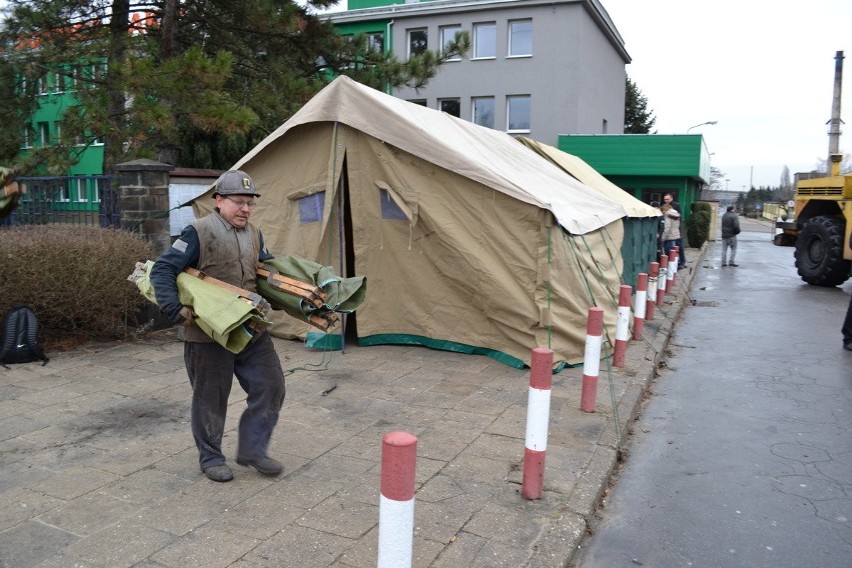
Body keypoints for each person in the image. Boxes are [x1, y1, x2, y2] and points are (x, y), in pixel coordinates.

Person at [150, 170, 286, 482]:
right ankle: (211, 457)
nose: (246, 210)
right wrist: (173, 308)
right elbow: (163, 270)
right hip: (208, 333)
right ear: (219, 200)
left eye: (250, 204)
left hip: (251, 329)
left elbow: (263, 275)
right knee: (210, 397)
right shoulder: (197, 232)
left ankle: (253, 449)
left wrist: (284, 297)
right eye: (239, 202)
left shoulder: (255, 234)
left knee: (271, 386)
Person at [662, 193, 686, 268]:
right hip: (676, 231)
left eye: (667, 199)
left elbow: (669, 224)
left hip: (673, 232)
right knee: (677, 248)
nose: (666, 201)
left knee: (675, 248)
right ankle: (680, 262)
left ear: (671, 198)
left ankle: (679, 263)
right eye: (665, 199)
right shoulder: (665, 206)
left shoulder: (675, 206)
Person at [660, 200, 683, 267]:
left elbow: (667, 227)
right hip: (675, 235)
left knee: (669, 253)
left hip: (669, 236)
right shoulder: (675, 214)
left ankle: (670, 267)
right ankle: (677, 264)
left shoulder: (667, 215)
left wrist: (662, 238)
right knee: (674, 253)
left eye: (663, 210)